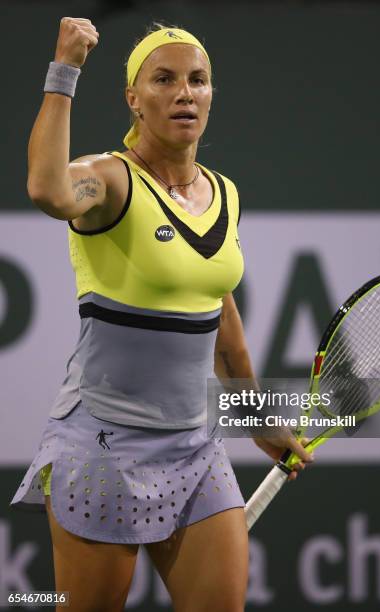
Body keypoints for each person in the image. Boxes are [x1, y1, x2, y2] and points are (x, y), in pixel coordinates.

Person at [10, 17, 313, 612]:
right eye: (164, 80)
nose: (184, 93)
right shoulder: (110, 180)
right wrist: (64, 69)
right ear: (134, 99)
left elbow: (221, 322)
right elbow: (47, 189)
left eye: (198, 80)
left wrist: (258, 419)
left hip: (195, 447)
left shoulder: (223, 194)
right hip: (103, 447)